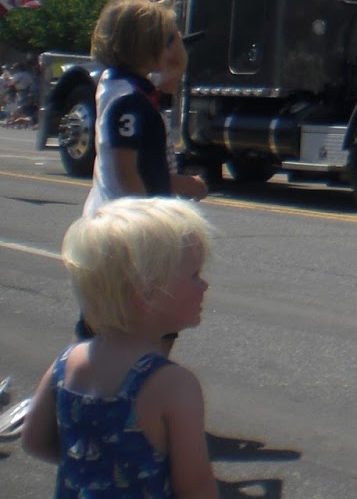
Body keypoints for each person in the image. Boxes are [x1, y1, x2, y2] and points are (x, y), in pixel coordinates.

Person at [20, 197, 218, 498]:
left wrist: (93, 467)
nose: (204, 285)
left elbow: (34, 440)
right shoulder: (173, 384)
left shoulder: (67, 362)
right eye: (194, 275)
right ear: (148, 294)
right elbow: (195, 486)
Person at [85, 0, 207, 219]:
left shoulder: (121, 85)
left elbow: (144, 169)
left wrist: (178, 184)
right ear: (146, 45)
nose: (170, 49)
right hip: (122, 221)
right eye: (166, 40)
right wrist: (144, 216)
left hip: (117, 213)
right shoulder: (128, 100)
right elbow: (126, 170)